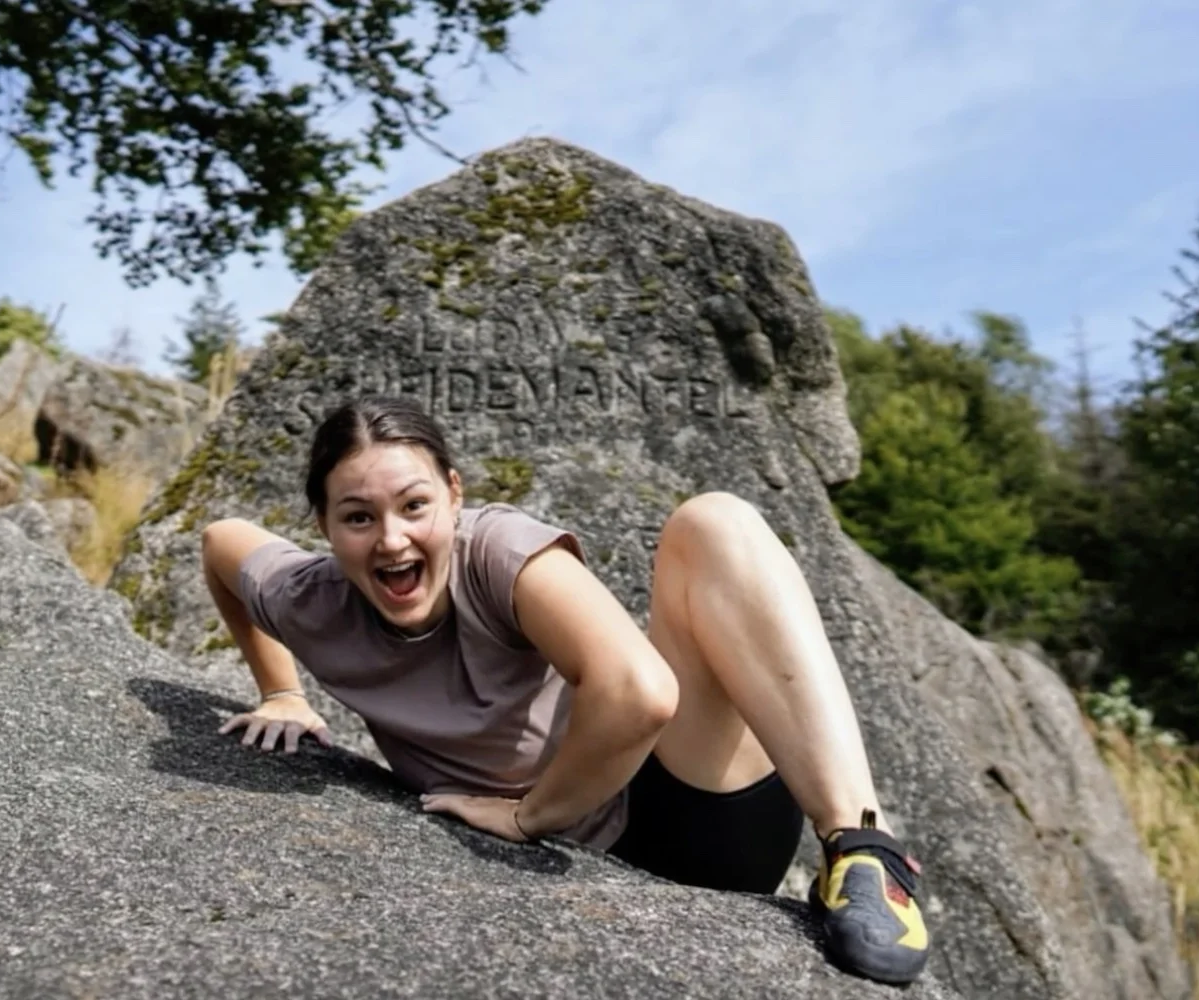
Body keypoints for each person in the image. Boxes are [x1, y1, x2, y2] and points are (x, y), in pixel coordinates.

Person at [199, 395, 929, 985]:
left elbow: (640, 691)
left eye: (414, 506)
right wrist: (281, 693)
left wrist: (528, 818)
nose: (390, 539)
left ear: (453, 497)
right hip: (589, 834)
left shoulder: (498, 553)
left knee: (714, 523)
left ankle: (862, 850)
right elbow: (222, 542)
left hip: (691, 813)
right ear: (323, 527)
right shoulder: (309, 596)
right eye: (357, 517)